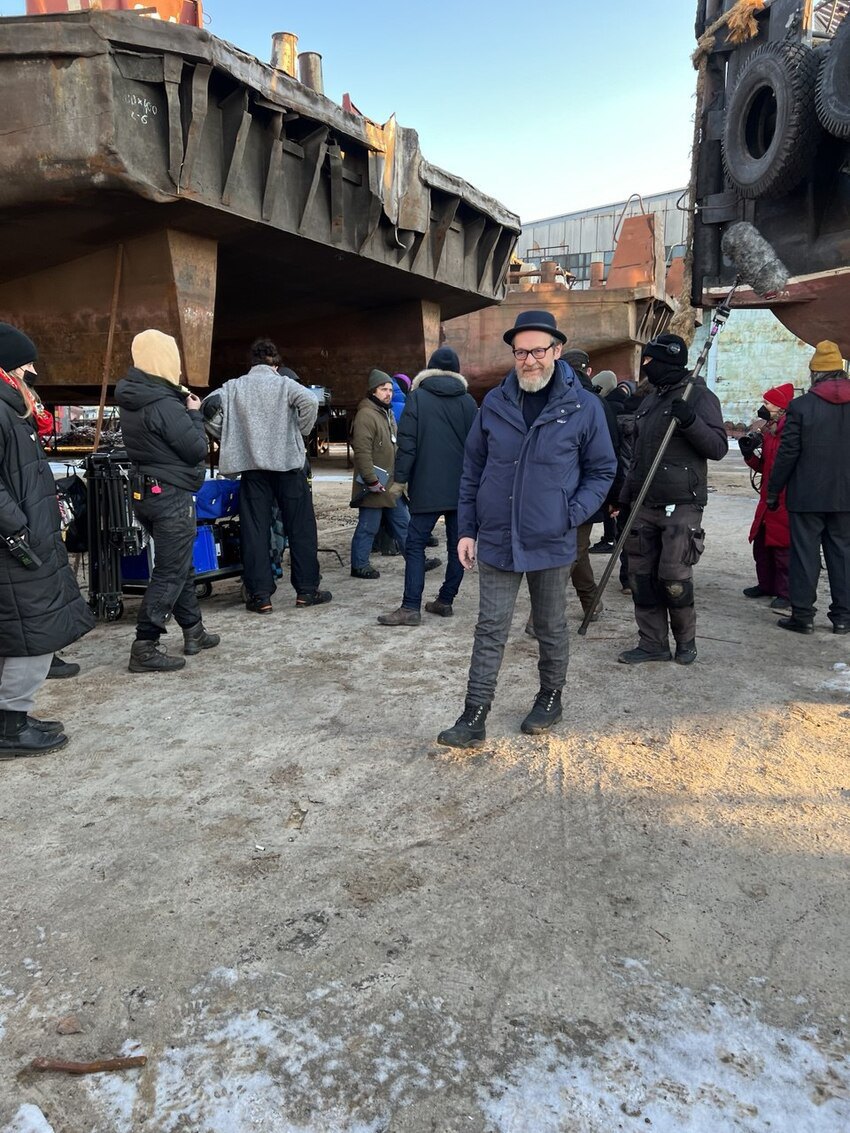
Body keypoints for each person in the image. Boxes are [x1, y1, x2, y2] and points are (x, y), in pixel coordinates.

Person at [437, 311, 616, 747]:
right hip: (498, 536)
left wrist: (570, 513)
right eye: (521, 352)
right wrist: (466, 529)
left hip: (552, 538)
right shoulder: (494, 404)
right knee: (490, 628)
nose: (529, 360)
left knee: (550, 626)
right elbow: (472, 469)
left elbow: (602, 470)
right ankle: (474, 715)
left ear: (556, 350)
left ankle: (550, 698)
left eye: (538, 350)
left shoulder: (584, 407)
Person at [0, 323, 94, 756]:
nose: (33, 372)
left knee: (23, 632)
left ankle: (11, 717)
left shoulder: (10, 408)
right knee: (33, 634)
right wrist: (17, 528)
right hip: (17, 546)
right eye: (26, 364)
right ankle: (11, 727)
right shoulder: (2, 409)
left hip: (25, 540)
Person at [617, 332, 728, 666]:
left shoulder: (699, 396)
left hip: (681, 503)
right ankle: (652, 643)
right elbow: (638, 455)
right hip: (644, 501)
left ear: (668, 362)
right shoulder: (650, 399)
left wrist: (690, 421)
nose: (646, 366)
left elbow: (718, 447)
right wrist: (625, 497)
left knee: (673, 579)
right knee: (640, 578)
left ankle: (685, 641)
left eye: (651, 360)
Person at [116, 329, 221, 671]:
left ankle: (194, 631)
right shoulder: (162, 403)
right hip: (171, 494)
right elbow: (195, 448)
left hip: (146, 492)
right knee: (170, 571)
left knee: (180, 564)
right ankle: (144, 645)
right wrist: (194, 413)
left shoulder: (134, 397)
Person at [204, 338, 330, 614]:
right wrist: (301, 430)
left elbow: (207, 408)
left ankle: (260, 596)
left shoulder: (233, 386)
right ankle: (307, 591)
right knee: (301, 529)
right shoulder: (284, 384)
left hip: (253, 470)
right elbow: (310, 401)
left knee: (255, 532)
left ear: (252, 363)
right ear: (275, 364)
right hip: (288, 468)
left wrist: (229, 435)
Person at [377, 346, 477, 625]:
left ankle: (411, 607)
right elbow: (478, 449)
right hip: (462, 489)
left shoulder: (418, 398)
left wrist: (400, 480)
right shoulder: (469, 402)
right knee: (458, 546)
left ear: (429, 370)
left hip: (427, 486)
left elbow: (407, 444)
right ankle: (445, 600)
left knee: (415, 545)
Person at [767, 340, 850, 634]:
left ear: (815, 373)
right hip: (846, 496)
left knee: (805, 555)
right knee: (843, 554)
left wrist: (774, 491)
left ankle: (803, 616)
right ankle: (843, 618)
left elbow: (788, 453)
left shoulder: (801, 406)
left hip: (807, 495)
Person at [560, 349, 621, 618]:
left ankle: (544, 615)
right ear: (589, 371)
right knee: (576, 550)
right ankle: (590, 603)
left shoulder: (555, 399)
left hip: (564, 490)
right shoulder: (598, 404)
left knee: (573, 550)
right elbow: (612, 454)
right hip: (588, 491)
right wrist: (614, 496)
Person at [738, 383, 794, 612]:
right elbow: (766, 468)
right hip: (768, 497)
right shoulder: (770, 432)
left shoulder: (789, 433)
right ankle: (766, 585)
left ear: (780, 406)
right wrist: (749, 455)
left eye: (768, 403)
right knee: (761, 545)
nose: (764, 407)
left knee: (782, 548)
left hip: (784, 498)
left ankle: (785, 593)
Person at [349, 370, 410, 579]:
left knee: (404, 524)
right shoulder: (366, 415)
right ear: (373, 391)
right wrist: (371, 479)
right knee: (369, 526)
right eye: (383, 389)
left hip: (390, 483)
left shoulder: (387, 412)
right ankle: (359, 565)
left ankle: (416, 559)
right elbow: (362, 451)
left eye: (390, 390)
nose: (388, 393)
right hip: (374, 484)